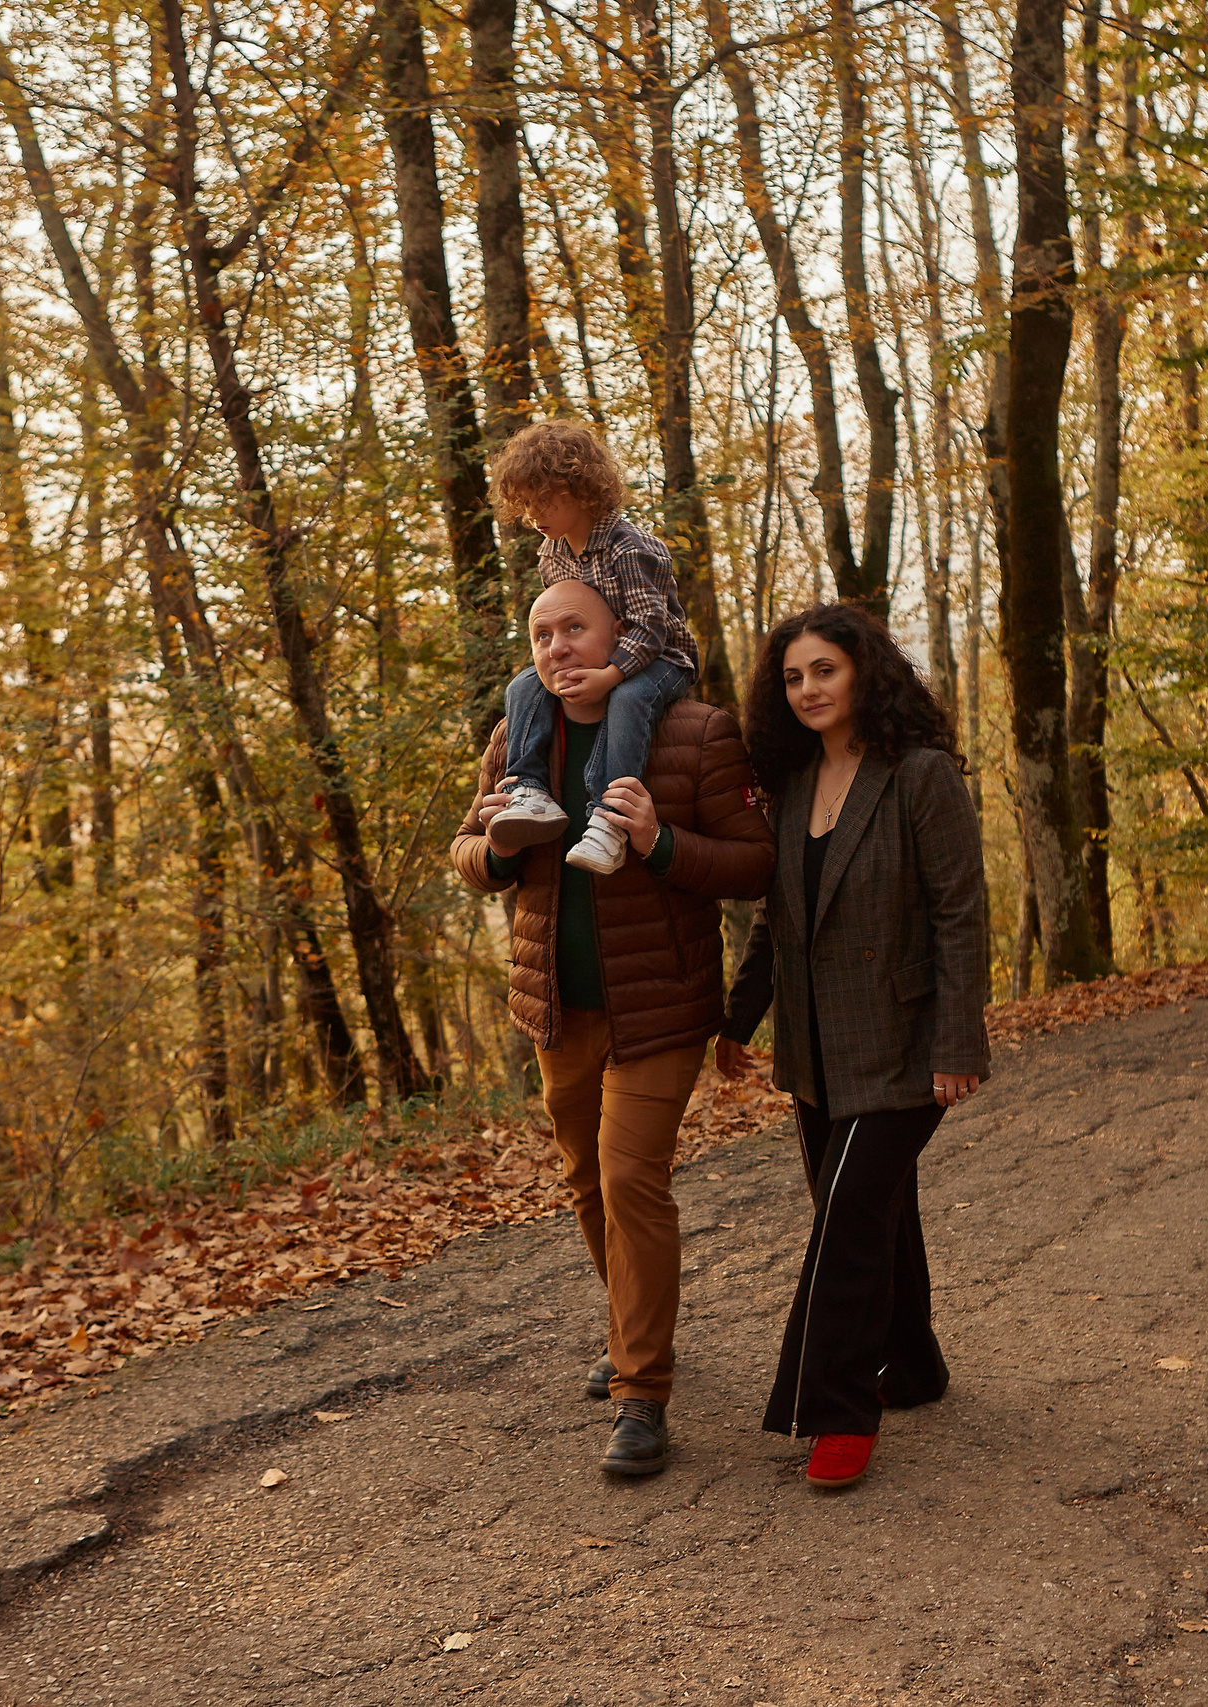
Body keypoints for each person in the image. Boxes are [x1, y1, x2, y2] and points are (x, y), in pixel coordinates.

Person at [451, 579, 773, 1477]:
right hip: (557, 1006)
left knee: (632, 1178)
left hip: (660, 1007)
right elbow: (468, 850)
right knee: (586, 1181)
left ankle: (642, 1392)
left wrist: (661, 840)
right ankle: (636, 1327)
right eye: (542, 634)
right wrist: (500, 851)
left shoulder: (696, 731)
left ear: (620, 634)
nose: (557, 648)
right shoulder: (519, 736)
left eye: (575, 628)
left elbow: (755, 863)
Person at [715, 603, 989, 1491]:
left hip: (905, 1046)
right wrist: (736, 1018)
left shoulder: (921, 775)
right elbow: (778, 920)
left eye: (823, 670)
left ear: (864, 670)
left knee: (843, 1223)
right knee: (871, 1213)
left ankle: (836, 1407)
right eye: (793, 676)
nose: (807, 689)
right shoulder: (793, 783)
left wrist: (957, 1042)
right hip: (815, 1051)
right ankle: (913, 1365)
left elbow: (960, 916)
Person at [482, 421, 703, 878]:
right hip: (601, 659)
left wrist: (608, 675)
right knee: (525, 685)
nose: (533, 513)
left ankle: (608, 817)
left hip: (662, 659)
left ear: (580, 489)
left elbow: (651, 628)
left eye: (543, 499)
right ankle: (530, 788)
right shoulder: (552, 553)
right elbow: (561, 623)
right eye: (525, 503)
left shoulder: (631, 549)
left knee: (629, 696)